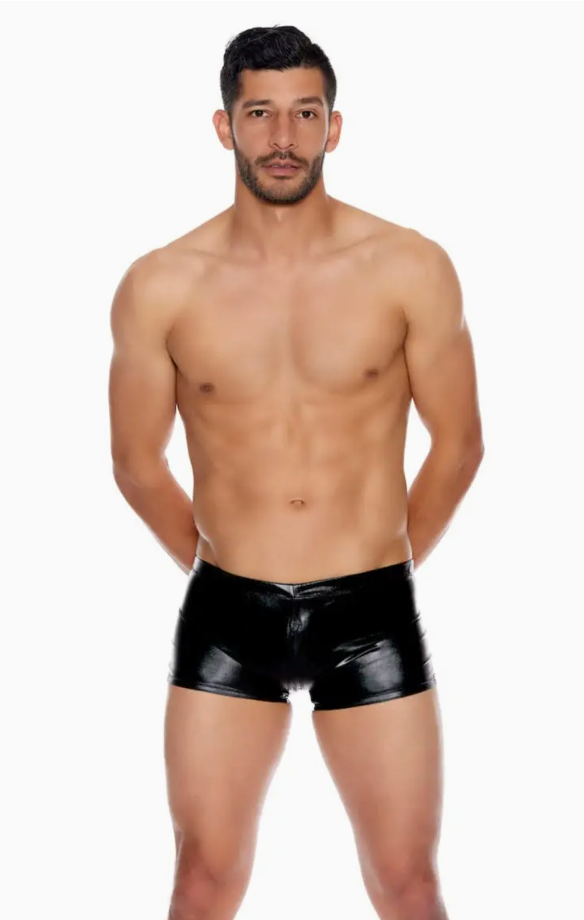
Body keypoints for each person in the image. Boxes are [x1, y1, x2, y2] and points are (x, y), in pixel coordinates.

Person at [108, 24, 484, 920]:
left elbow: (460, 444)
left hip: (372, 611)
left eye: (305, 114)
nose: (283, 136)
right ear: (224, 126)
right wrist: (222, 565)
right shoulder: (162, 284)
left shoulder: (408, 266)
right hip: (229, 616)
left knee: (409, 885)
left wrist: (386, 564)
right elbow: (135, 464)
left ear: (334, 127)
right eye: (261, 114)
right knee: (202, 881)